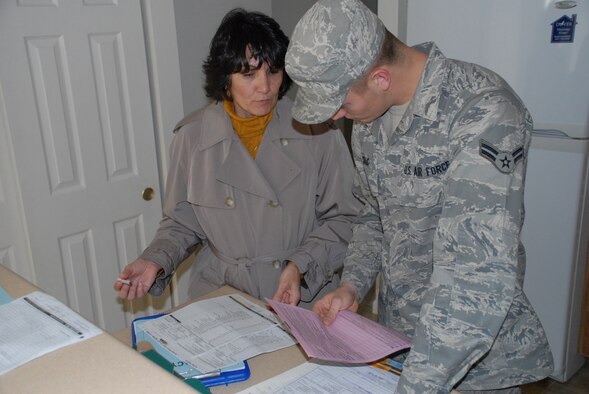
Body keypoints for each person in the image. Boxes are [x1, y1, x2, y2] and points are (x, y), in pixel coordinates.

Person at [285, 0, 554, 393]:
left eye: (341, 104)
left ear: (379, 77)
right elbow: (373, 217)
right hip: (400, 342)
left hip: (472, 364)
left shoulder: (483, 111)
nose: (336, 117)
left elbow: (473, 276)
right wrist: (352, 285)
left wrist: (416, 386)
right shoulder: (371, 119)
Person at [114, 8, 359, 309]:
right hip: (222, 294)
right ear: (225, 78)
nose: (265, 87)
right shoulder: (192, 137)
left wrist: (300, 265)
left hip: (301, 295)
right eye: (248, 74)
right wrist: (154, 259)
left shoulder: (318, 132)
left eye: (273, 71)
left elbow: (346, 219)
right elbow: (182, 222)